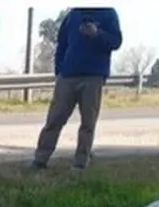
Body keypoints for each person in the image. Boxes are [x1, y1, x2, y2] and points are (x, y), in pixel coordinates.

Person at [31, 7, 123, 170]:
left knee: (88, 122)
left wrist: (97, 34)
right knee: (54, 119)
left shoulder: (108, 13)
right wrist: (59, 71)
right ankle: (40, 159)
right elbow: (62, 44)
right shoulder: (73, 15)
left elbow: (116, 41)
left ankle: (80, 162)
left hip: (93, 76)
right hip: (68, 75)